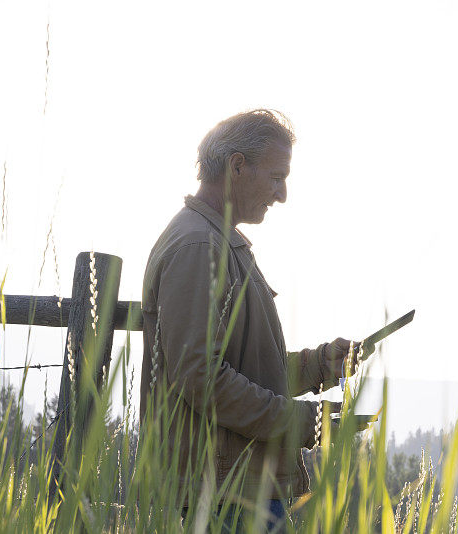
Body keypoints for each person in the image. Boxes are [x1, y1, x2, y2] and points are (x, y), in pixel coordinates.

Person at [140, 109, 365, 532]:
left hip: (242, 487)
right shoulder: (197, 245)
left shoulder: (220, 242)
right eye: (276, 177)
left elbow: (239, 368)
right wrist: (303, 424)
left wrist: (319, 366)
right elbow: (201, 378)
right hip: (226, 493)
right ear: (237, 166)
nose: (281, 195)